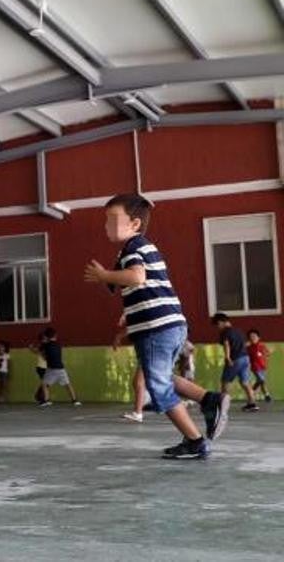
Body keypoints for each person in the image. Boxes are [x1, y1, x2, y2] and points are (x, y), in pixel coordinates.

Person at [84, 193, 230, 459]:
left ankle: (195, 441)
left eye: (112, 219)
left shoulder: (133, 248)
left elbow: (137, 278)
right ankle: (210, 400)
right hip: (171, 325)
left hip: (156, 329)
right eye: (106, 220)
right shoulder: (139, 247)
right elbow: (144, 287)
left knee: (158, 386)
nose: (106, 225)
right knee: (162, 377)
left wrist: (105, 275)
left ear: (135, 224)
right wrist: (128, 314)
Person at [215, 313, 257, 412]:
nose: (218, 327)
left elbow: (226, 344)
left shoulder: (226, 332)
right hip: (245, 358)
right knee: (245, 382)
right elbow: (245, 344)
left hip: (235, 359)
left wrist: (227, 357)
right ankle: (252, 404)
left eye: (218, 325)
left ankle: (223, 405)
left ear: (221, 322)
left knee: (225, 382)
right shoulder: (239, 331)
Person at [36, 328, 80, 407]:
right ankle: (75, 400)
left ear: (46, 336)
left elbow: (40, 352)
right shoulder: (58, 344)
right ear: (55, 336)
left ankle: (46, 400)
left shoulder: (45, 345)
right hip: (60, 368)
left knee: (44, 384)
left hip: (51, 369)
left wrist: (31, 348)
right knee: (67, 384)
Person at [247, 329, 272, 404]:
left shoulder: (262, 346)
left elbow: (268, 353)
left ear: (258, 337)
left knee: (259, 381)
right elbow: (246, 357)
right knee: (262, 380)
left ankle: (251, 392)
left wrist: (266, 356)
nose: (252, 338)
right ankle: (267, 395)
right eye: (250, 337)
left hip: (263, 367)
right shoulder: (248, 348)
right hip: (255, 367)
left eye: (254, 336)